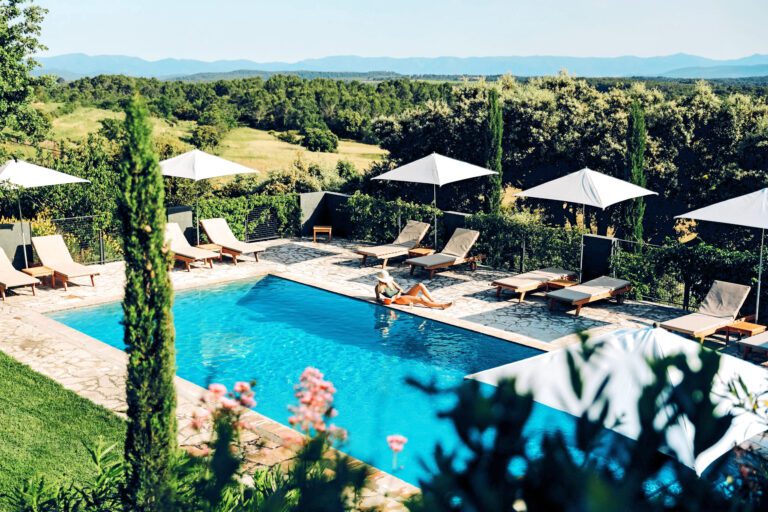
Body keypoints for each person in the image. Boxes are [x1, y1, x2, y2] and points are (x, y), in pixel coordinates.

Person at [374, 270, 452, 309]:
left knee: (420, 285)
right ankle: (441, 305)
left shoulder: (390, 281)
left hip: (402, 295)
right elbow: (378, 298)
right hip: (398, 300)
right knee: (420, 299)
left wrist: (399, 293)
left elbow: (400, 289)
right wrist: (382, 301)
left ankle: (433, 302)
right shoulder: (378, 288)